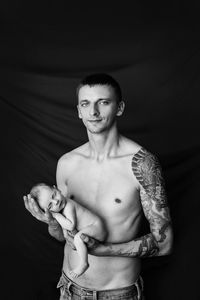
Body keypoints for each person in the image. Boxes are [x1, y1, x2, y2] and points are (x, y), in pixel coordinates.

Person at [24, 73, 173, 300]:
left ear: (120, 108)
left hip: (119, 293)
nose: (93, 112)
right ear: (78, 111)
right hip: (69, 288)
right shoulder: (66, 163)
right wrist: (52, 222)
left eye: (103, 102)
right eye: (86, 104)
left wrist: (104, 250)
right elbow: (65, 236)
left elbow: (164, 243)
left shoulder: (142, 164)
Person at [29, 183, 107, 278]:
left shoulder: (68, 205)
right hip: (93, 232)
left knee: (78, 237)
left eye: (54, 195)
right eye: (50, 205)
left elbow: (70, 226)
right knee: (77, 237)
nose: (56, 201)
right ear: (48, 211)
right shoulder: (62, 208)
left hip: (96, 227)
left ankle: (84, 263)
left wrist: (56, 215)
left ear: (57, 189)